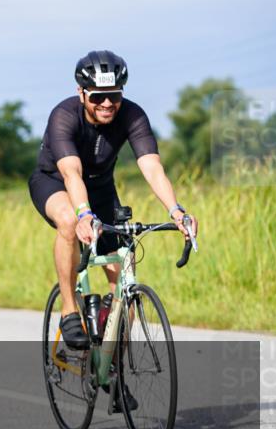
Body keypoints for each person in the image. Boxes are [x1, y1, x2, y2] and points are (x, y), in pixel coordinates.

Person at [28, 51, 199, 407]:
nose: (108, 103)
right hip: (54, 183)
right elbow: (71, 173)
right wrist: (84, 213)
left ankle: (112, 371)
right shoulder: (63, 116)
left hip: (102, 189)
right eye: (98, 97)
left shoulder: (132, 115)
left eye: (115, 96)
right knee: (70, 222)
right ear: (82, 93)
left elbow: (152, 167)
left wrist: (177, 210)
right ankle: (69, 309)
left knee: (124, 278)